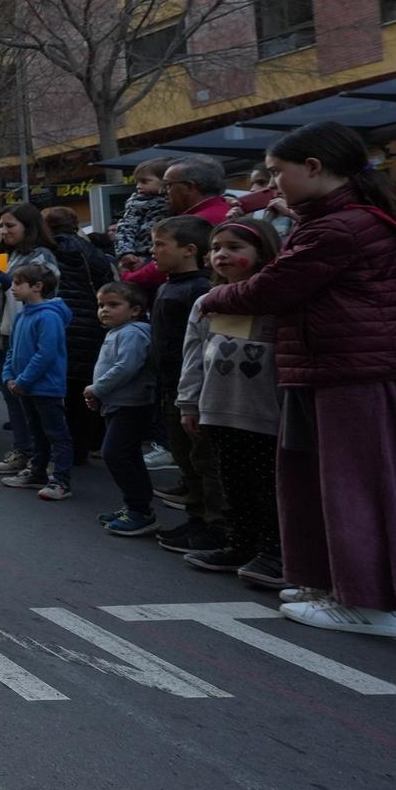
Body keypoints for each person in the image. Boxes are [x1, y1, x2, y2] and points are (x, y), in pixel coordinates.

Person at [196, 123, 396, 636]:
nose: (273, 184)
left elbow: (270, 288)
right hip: (320, 366)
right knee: (314, 483)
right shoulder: (330, 220)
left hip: (348, 370)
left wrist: (211, 299)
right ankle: (332, 585)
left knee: (355, 488)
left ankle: (373, 604)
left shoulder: (341, 226)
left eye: (278, 174)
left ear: (314, 168)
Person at [177, 220, 284, 584]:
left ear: (264, 253)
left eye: (235, 247)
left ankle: (275, 554)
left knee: (268, 487)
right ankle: (240, 544)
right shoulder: (206, 303)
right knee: (233, 483)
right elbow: (193, 357)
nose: (223, 254)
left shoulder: (279, 302)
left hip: (266, 411)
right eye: (217, 247)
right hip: (219, 408)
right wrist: (189, 403)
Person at [144, 216, 221, 553]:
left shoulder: (200, 289)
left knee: (205, 461)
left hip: (193, 388)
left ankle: (217, 526)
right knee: (186, 458)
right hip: (169, 386)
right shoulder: (166, 285)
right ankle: (196, 516)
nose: (153, 251)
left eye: (161, 244)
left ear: (190, 250)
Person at [0, 205, 59, 478]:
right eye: (1, 225)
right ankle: (23, 451)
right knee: (12, 397)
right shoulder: (6, 255)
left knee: (32, 401)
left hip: (25, 335)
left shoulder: (41, 256)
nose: (4, 231)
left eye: (10, 225)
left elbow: (30, 289)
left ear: (29, 226)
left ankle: (42, 457)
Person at [43, 206, 117, 462]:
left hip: (63, 322)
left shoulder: (51, 251)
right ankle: (84, 446)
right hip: (90, 324)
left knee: (60, 391)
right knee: (82, 388)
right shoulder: (92, 251)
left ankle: (63, 450)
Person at [86, 282, 158, 535]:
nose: (104, 310)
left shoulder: (134, 333)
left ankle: (141, 511)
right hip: (117, 403)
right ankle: (136, 506)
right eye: (101, 305)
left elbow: (126, 368)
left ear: (135, 309)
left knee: (114, 454)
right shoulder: (118, 331)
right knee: (127, 455)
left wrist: (96, 389)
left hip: (132, 405)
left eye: (113, 305)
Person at [0, 266, 74, 501]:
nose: (12, 288)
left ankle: (61, 481)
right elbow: (11, 350)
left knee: (56, 434)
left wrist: (22, 380)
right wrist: (9, 376)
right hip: (25, 387)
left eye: (18, 283)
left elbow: (45, 354)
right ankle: (37, 472)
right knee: (37, 434)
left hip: (45, 387)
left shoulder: (49, 316)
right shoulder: (22, 315)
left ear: (37, 287)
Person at [122, 156, 235, 289]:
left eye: (168, 185)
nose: (162, 191)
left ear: (189, 186)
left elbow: (163, 268)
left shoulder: (201, 221)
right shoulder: (220, 210)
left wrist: (125, 276)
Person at [112, 159, 171, 271]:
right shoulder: (137, 202)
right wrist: (126, 252)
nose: (138, 186)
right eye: (137, 182)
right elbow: (126, 227)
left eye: (144, 182)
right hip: (142, 254)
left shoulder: (171, 200)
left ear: (165, 181)